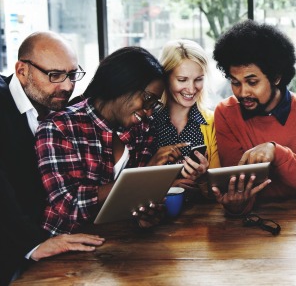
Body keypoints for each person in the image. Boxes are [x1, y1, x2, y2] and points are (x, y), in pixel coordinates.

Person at [37, 46, 206, 236]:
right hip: (66, 248)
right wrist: (145, 175)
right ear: (121, 85)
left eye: (155, 103)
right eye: (148, 99)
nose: (150, 111)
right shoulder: (59, 127)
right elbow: (70, 207)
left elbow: (137, 203)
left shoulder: (142, 127)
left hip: (121, 243)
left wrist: (147, 213)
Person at [0, 31, 104, 283]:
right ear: (22, 70)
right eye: (55, 75)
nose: (67, 86)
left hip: (53, 241)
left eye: (72, 74)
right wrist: (33, 244)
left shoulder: (60, 108)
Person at [212, 20, 296, 215]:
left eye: (252, 82)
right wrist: (238, 204)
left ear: (276, 77)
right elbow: (237, 184)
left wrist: (277, 153)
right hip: (251, 225)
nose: (242, 92)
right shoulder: (226, 113)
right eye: (235, 82)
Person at [152, 39, 219, 197]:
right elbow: (133, 184)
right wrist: (166, 187)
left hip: (201, 215)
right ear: (166, 78)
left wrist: (204, 178)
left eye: (198, 79)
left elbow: (219, 187)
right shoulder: (148, 121)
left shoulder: (212, 122)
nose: (191, 89)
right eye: (182, 80)